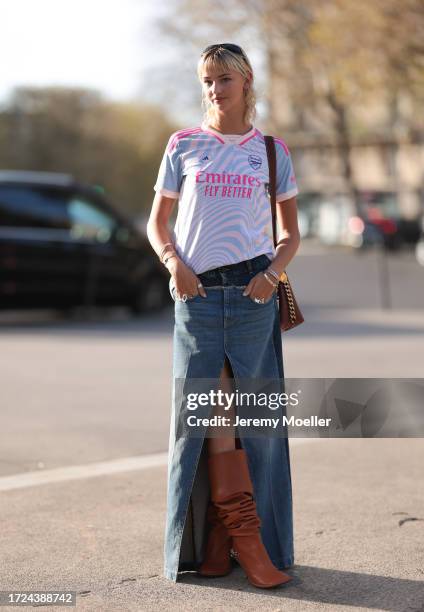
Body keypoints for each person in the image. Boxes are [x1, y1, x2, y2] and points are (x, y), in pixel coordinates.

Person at [147, 43, 300, 589]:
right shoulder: (183, 144)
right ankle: (222, 537)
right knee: (205, 414)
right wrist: (173, 264)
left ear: (246, 81)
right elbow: (157, 223)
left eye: (224, 79)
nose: (214, 89)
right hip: (198, 297)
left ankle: (248, 540)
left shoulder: (272, 151)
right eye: (207, 80)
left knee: (254, 420)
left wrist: (272, 275)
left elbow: (290, 236)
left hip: (254, 294)